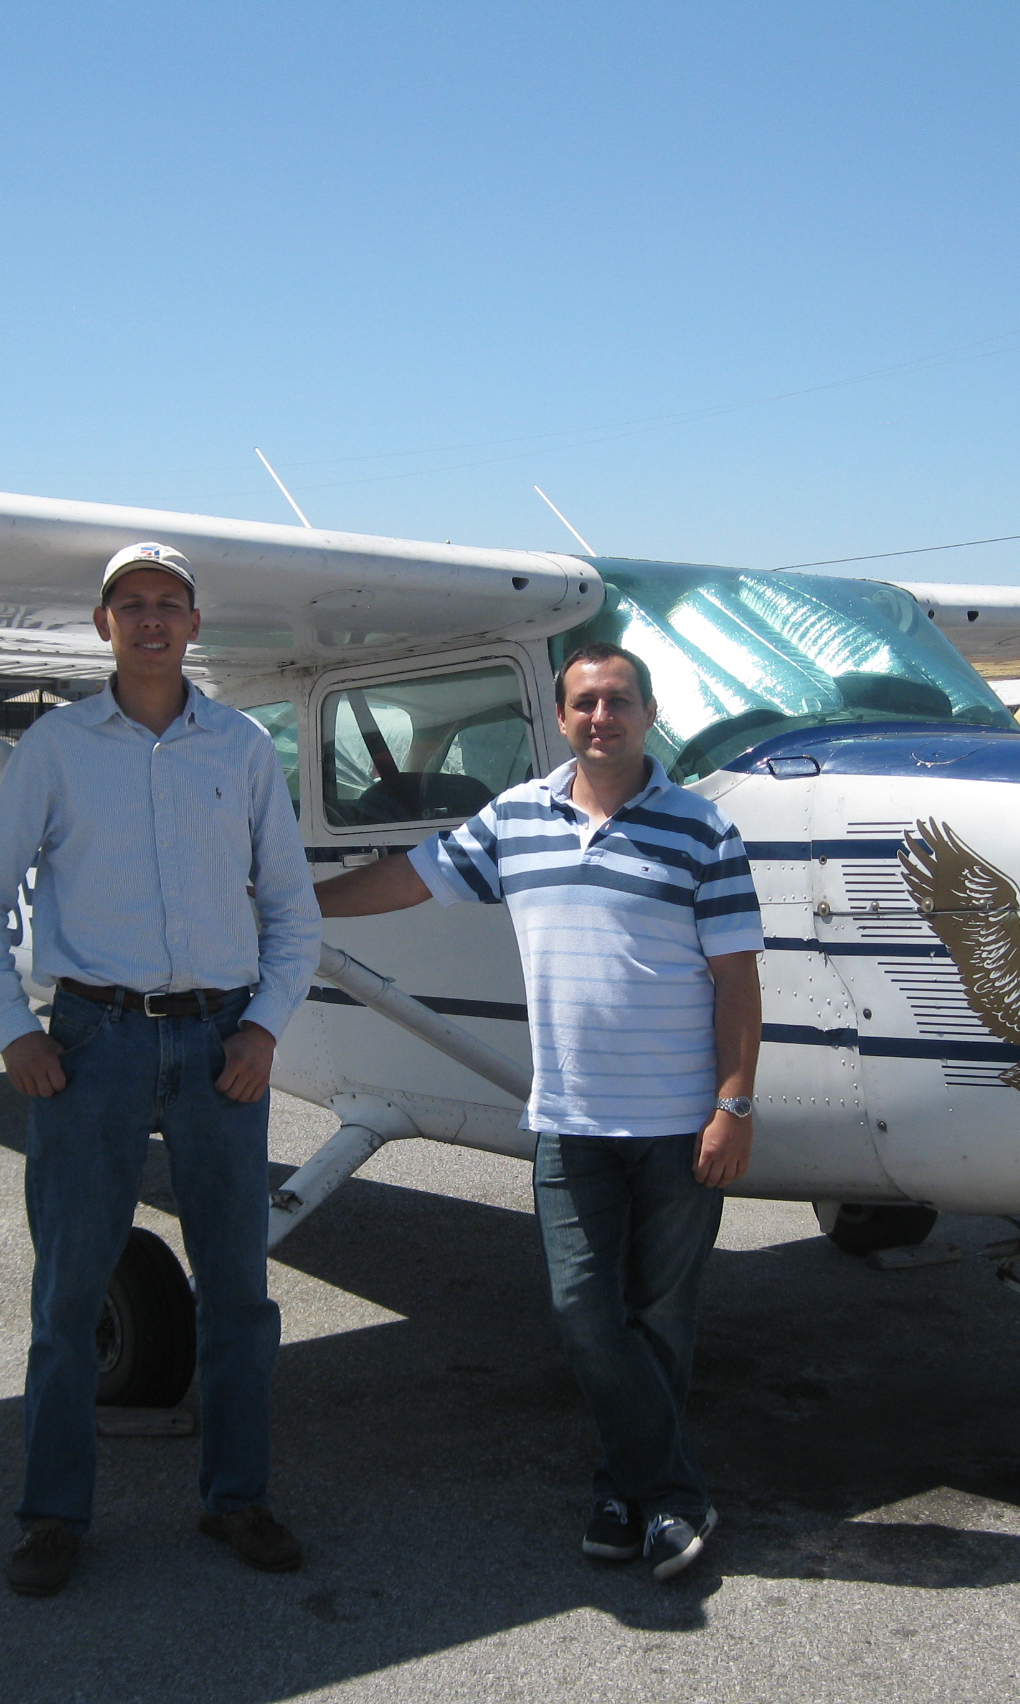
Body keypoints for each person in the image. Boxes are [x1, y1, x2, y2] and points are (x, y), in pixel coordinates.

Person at [313, 641, 763, 1581]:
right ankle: (674, 1493)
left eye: (621, 701)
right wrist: (294, 906)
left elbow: (736, 981)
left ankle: (622, 1489)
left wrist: (734, 1106)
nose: (603, 717)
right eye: (586, 703)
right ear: (561, 720)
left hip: (681, 1122)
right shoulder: (517, 819)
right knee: (582, 1312)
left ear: (648, 714)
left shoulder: (700, 831)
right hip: (570, 1119)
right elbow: (411, 876)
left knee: (660, 1319)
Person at [0, 540, 322, 1597]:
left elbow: (291, 913)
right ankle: (54, 1516)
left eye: (170, 604)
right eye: (131, 604)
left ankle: (236, 1497)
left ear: (194, 624)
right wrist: (12, 1033)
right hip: (91, 1045)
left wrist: (263, 1032)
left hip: (218, 1047)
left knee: (241, 1293)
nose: (152, 620)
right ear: (103, 624)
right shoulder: (57, 748)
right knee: (68, 1296)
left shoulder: (242, 748)